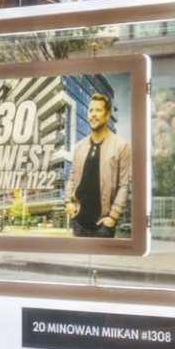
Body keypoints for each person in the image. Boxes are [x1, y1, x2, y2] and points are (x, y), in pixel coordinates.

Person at [61, 88, 131, 239]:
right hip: (78, 222)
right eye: (90, 110)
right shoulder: (79, 147)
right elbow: (72, 177)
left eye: (98, 110)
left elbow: (124, 185)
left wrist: (113, 217)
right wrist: (68, 202)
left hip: (103, 226)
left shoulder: (121, 146)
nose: (93, 114)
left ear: (107, 115)